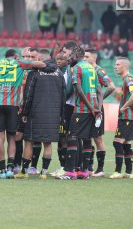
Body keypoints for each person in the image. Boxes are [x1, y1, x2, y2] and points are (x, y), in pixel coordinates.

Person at [0, 49, 46, 179]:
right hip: (13, 105)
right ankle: (11, 168)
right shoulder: (18, 63)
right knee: (11, 137)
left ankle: (2, 170)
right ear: (15, 57)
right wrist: (21, 63)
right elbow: (42, 65)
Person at [15, 49, 65, 179]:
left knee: (29, 141)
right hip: (53, 113)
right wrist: (61, 114)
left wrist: (24, 112)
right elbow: (63, 95)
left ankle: (24, 172)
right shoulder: (59, 73)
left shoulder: (35, 73)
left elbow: (28, 94)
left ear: (40, 59)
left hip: (35, 113)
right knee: (47, 143)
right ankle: (43, 172)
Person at [62, 45, 103, 180]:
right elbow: (99, 91)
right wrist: (97, 108)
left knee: (72, 136)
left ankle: (70, 171)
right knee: (86, 139)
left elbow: (78, 90)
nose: (68, 57)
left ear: (75, 55)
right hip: (93, 109)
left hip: (81, 109)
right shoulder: (91, 68)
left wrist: (91, 108)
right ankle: (84, 171)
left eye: (70, 55)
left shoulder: (77, 68)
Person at [84, 48, 116, 177]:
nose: (85, 59)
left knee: (97, 138)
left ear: (94, 58)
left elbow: (112, 86)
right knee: (86, 137)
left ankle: (100, 169)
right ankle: (89, 167)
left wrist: (99, 99)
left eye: (87, 57)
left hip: (96, 108)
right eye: (84, 57)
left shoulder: (98, 70)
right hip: (87, 108)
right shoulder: (85, 70)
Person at [50, 41, 77, 178]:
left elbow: (69, 90)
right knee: (61, 137)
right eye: (58, 58)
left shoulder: (72, 69)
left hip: (68, 107)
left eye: (64, 55)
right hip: (61, 107)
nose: (60, 59)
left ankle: (70, 167)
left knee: (68, 137)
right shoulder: (60, 70)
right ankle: (63, 165)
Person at [110, 57, 133, 179]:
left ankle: (117, 171)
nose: (115, 66)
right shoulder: (126, 80)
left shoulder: (129, 79)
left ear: (125, 67)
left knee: (117, 143)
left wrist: (124, 107)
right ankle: (128, 172)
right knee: (126, 144)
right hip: (130, 117)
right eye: (115, 64)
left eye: (118, 64)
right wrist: (113, 92)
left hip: (127, 117)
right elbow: (127, 96)